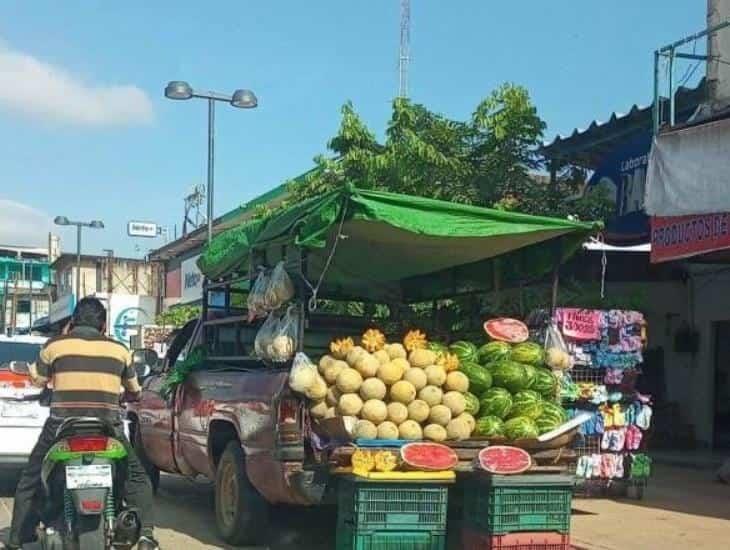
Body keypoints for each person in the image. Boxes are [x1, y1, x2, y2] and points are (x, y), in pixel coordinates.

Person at [2, 297, 159, 550]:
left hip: (62, 426)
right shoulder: (119, 349)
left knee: (31, 477)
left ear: (72, 321)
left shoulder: (55, 346)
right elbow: (135, 391)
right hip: (108, 427)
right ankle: (146, 536)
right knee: (137, 477)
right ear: (104, 325)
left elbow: (38, 380)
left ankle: (16, 539)